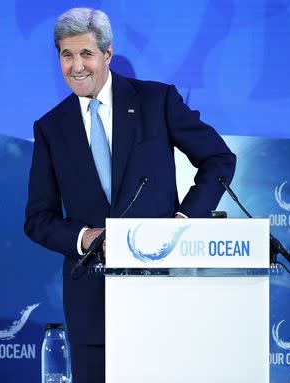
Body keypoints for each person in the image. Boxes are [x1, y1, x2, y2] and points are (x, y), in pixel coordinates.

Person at [24, 8, 236, 382]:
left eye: (86, 54)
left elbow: (219, 159)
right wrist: (82, 237)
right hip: (92, 302)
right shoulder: (50, 127)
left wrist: (184, 220)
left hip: (161, 291)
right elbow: (37, 219)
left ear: (107, 54)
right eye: (66, 55)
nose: (76, 66)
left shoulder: (157, 101)